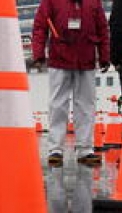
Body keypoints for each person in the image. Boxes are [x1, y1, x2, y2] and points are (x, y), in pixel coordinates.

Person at [32, 0, 110, 165]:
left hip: (85, 59)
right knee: (58, 105)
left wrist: (104, 56)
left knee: (86, 105)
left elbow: (103, 29)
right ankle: (55, 149)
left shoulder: (94, 2)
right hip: (60, 58)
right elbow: (40, 26)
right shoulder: (51, 1)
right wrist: (38, 54)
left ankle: (85, 149)